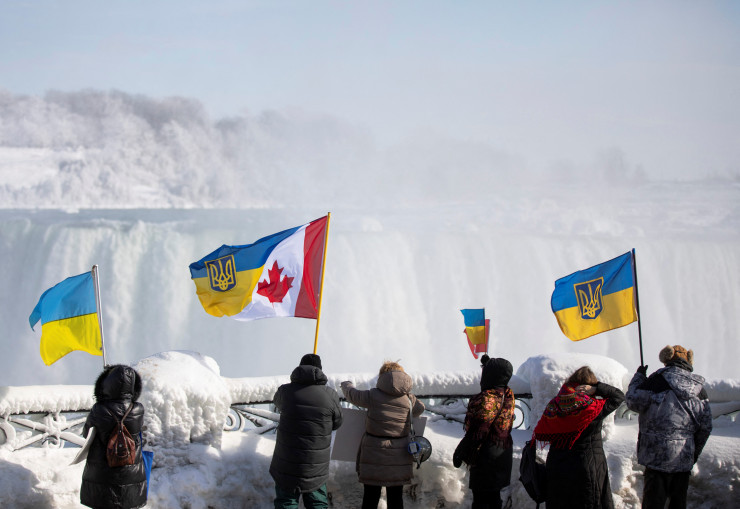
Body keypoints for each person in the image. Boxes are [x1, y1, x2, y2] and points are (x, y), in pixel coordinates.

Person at [625, 345, 713, 509]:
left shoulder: (656, 381)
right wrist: (692, 454)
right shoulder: (700, 390)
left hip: (655, 457)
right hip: (682, 459)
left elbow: (632, 400)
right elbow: (706, 427)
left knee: (653, 504)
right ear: (689, 361)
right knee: (678, 504)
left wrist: (639, 377)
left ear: (666, 359)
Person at [533, 366, 624, 509]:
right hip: (586, 467)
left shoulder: (555, 405)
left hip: (557, 467)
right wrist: (597, 388)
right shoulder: (592, 408)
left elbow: (540, 431)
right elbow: (618, 396)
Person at [340, 360, 425, 509]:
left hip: (374, 452)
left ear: (382, 377)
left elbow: (353, 395)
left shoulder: (373, 395)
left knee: (370, 497)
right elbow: (420, 409)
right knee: (396, 498)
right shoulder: (409, 399)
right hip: (399, 455)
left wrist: (346, 384)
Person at [269, 353, 343, 509]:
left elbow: (277, 404)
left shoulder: (285, 391)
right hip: (315, 466)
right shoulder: (331, 395)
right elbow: (337, 423)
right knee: (317, 503)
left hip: (286, 463)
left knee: (286, 503)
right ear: (320, 370)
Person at [453, 356, 517, 509]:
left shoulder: (488, 398)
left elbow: (479, 430)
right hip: (502, 451)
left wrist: (461, 451)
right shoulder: (507, 394)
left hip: (487, 456)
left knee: (481, 500)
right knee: (494, 497)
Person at [80, 364, 147, 509]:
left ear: (107, 384)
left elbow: (86, 434)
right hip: (131, 471)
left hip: (103, 473)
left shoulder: (99, 409)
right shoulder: (138, 409)